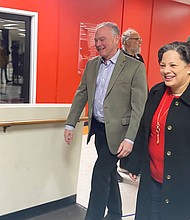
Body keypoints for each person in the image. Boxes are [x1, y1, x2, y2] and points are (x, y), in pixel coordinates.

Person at [64, 22, 148, 220]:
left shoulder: (135, 67)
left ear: (116, 39)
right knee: (109, 172)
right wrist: (71, 123)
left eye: (102, 39)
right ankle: (116, 213)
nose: (98, 44)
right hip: (99, 130)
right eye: (96, 40)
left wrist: (130, 138)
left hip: (120, 134)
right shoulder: (92, 64)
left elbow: (139, 107)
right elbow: (81, 93)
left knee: (100, 174)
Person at [126, 41, 190, 220]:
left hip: (182, 187)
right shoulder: (157, 92)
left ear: (188, 67)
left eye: (173, 65)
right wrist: (135, 161)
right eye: (162, 65)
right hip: (152, 179)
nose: (166, 70)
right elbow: (144, 129)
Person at [116, 28, 145, 182]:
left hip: (137, 102)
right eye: (137, 38)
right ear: (127, 41)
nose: (140, 41)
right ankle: (113, 168)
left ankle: (127, 164)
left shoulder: (139, 58)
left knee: (133, 134)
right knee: (118, 137)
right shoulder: (120, 58)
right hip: (122, 105)